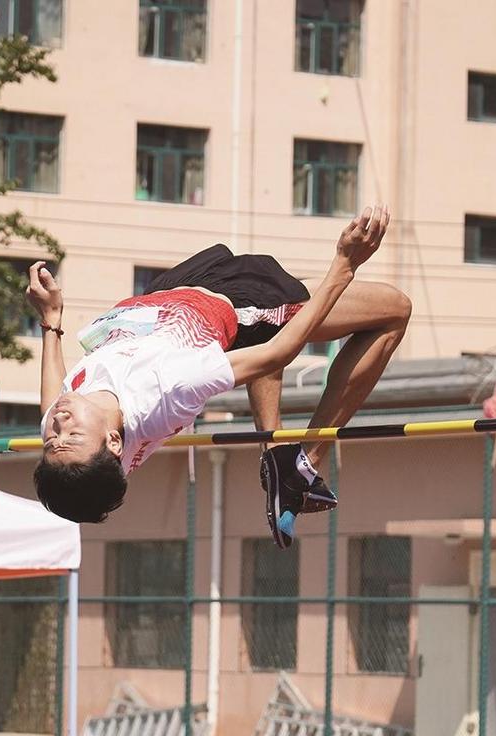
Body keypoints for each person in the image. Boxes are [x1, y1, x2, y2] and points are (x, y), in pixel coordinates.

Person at [29, 205, 410, 546]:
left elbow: (50, 406)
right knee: (393, 310)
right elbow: (277, 352)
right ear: (114, 442)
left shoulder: (69, 422)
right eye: (70, 433)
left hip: (169, 292)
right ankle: (302, 463)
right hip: (235, 303)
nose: (59, 423)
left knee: (263, 343)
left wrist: (51, 322)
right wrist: (343, 267)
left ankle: (279, 460)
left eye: (52, 439)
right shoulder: (168, 389)